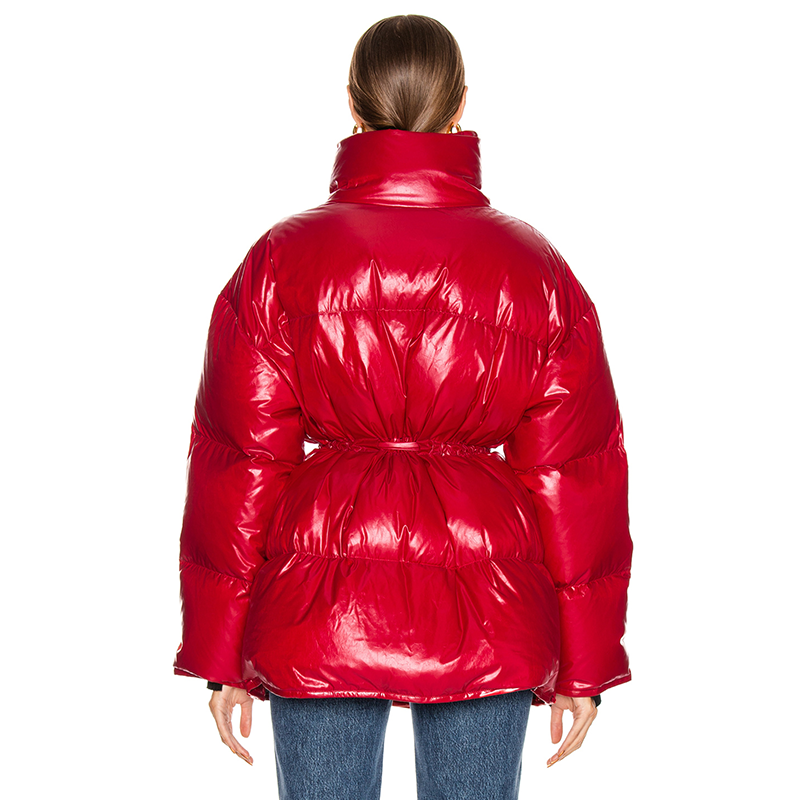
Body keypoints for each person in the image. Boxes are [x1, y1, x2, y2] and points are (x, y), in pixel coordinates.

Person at [173, 14, 632, 799]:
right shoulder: (534, 266)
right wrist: (585, 664)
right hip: (488, 604)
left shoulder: (281, 259)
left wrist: (221, 654)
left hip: (318, 604)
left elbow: (242, 464)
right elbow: (574, 474)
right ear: (461, 107)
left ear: (353, 108)